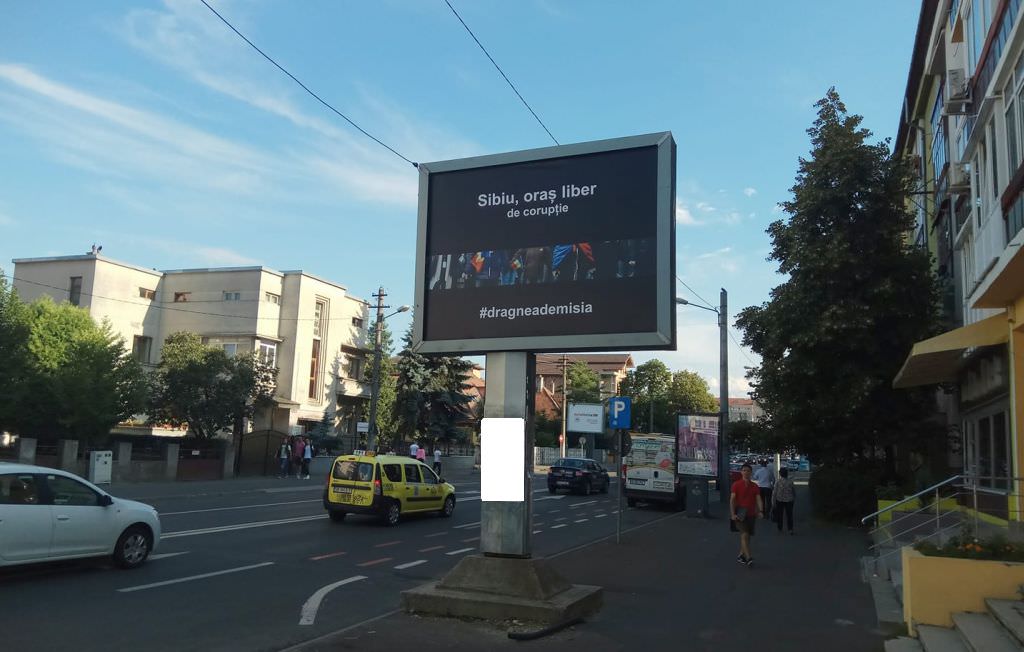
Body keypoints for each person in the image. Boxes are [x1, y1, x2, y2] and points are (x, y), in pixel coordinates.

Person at [730, 462, 764, 566]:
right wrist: (732, 514)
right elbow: (732, 500)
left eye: (748, 471)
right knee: (744, 534)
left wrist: (761, 511)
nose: (746, 472)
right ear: (741, 472)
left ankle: (741, 555)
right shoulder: (736, 484)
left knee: (748, 536)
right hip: (740, 513)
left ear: (751, 473)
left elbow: (758, 499)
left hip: (751, 514)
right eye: (744, 470)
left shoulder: (754, 486)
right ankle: (749, 558)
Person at [773, 467, 796, 534]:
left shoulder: (778, 482)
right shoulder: (790, 481)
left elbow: (774, 492)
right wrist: (794, 497)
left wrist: (773, 501)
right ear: (787, 474)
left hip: (779, 500)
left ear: (780, 474)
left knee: (780, 514)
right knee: (789, 515)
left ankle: (780, 528)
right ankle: (790, 529)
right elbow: (793, 490)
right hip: (789, 500)